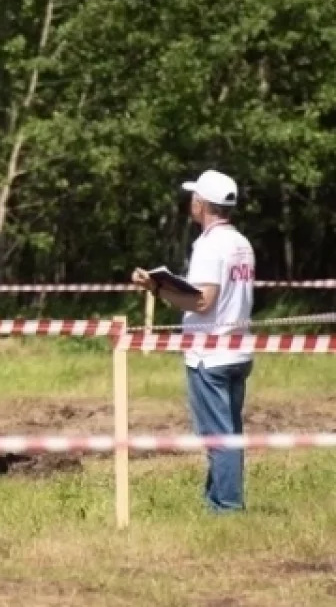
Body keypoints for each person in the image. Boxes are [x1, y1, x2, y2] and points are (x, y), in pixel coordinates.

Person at [132, 169, 255, 513]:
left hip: (209, 353)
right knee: (229, 432)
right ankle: (216, 500)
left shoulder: (209, 245)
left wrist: (158, 288)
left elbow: (203, 301)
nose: (191, 202)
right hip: (237, 349)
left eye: (194, 197)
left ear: (202, 204)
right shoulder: (241, 243)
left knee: (218, 437)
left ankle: (227, 507)